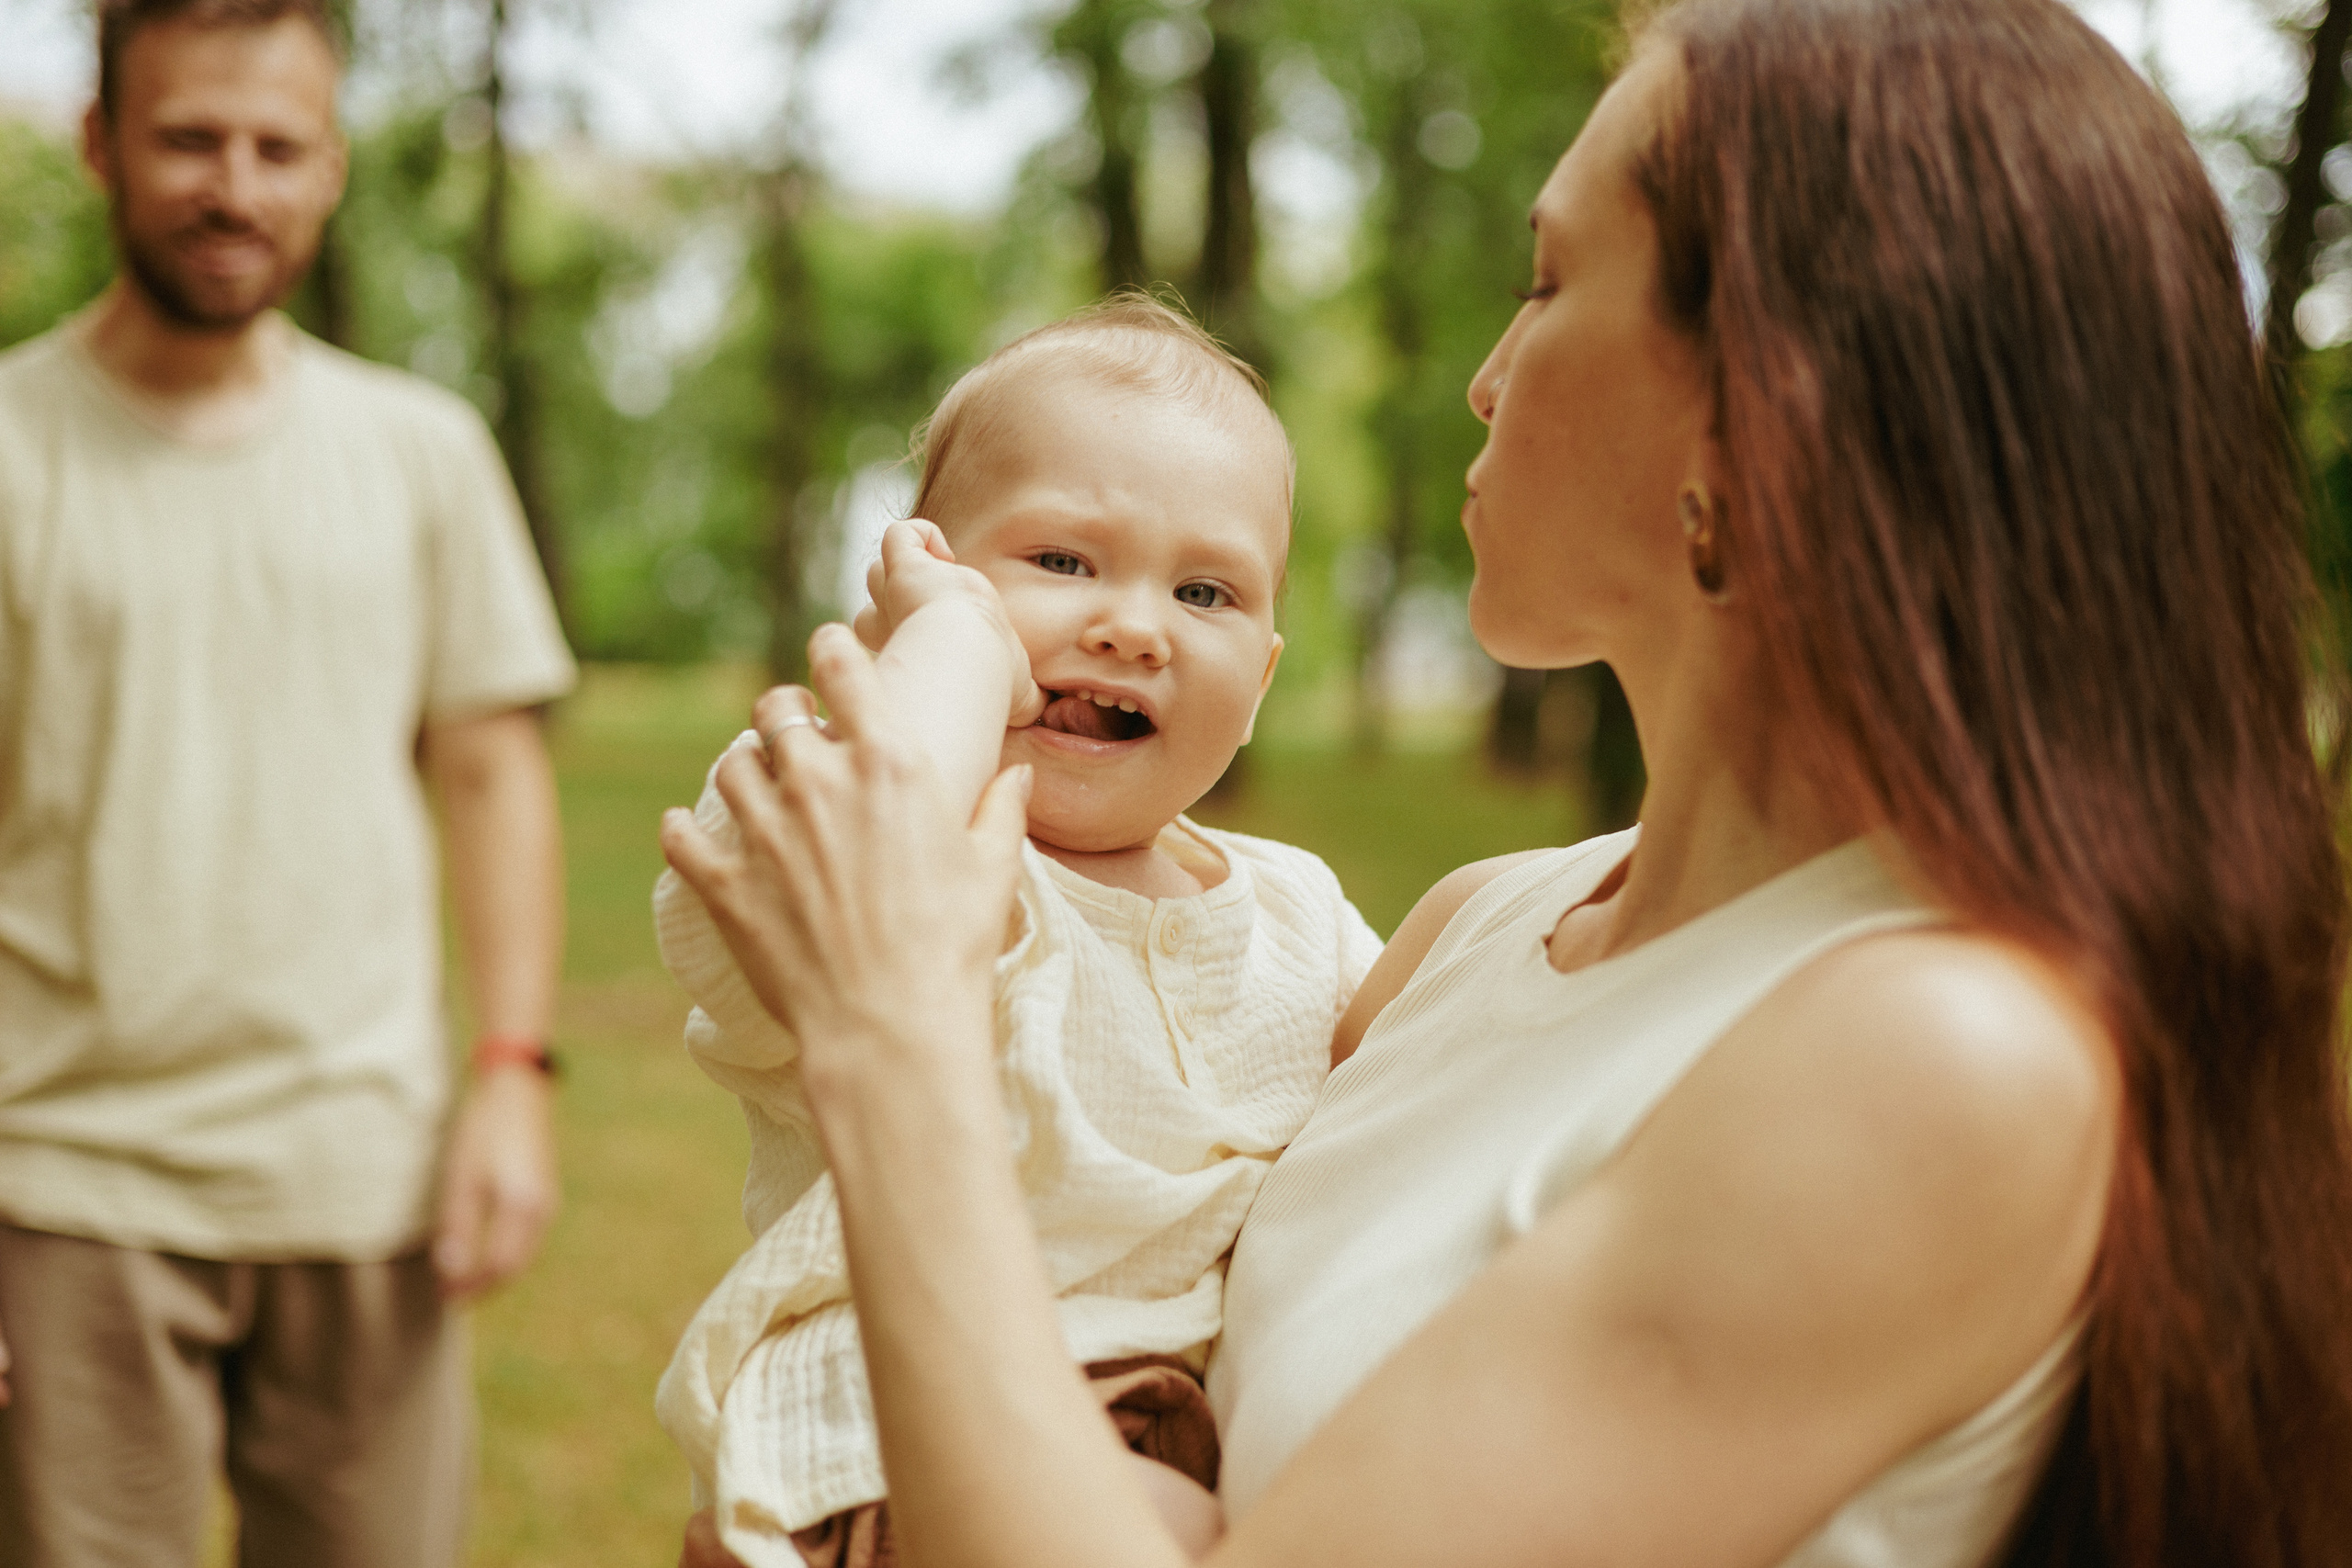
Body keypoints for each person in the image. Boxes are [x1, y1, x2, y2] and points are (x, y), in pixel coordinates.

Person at [662, 0, 2352, 1564]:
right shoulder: (1473, 930)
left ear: (1753, 422)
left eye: (1547, 284)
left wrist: (894, 1035)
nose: (1484, 374)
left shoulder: (1938, 1055)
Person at [652, 299, 1383, 1568]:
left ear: (1260, 681)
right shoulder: (874, 821)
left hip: (1174, 1428)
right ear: (910, 587)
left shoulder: (1300, 916)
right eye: (1060, 563)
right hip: (883, 1442)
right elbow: (873, 836)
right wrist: (945, 644)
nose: (1131, 625)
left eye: (1202, 591)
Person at [0, 2, 575, 1564]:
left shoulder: (422, 452)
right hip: (64, 1182)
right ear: (101, 143)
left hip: (362, 1177)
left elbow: (490, 772)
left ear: (329, 169)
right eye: (190, 139)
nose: (233, 188)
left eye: (277, 148)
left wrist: (512, 1073)